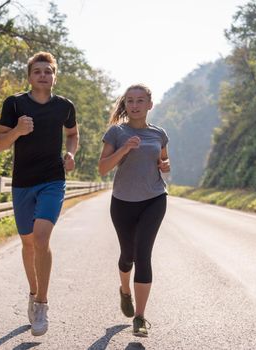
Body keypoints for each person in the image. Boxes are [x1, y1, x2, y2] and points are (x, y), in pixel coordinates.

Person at [0, 51, 79, 336]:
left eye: (48, 70)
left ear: (55, 76)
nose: (43, 74)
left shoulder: (65, 106)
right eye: (38, 70)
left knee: (42, 237)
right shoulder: (15, 104)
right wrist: (17, 130)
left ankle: (42, 304)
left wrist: (70, 152)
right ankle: (33, 293)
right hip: (22, 183)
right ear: (30, 76)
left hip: (53, 180)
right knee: (28, 244)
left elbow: (73, 133)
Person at [98, 84, 170, 337]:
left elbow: (163, 160)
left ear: (150, 105)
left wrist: (165, 165)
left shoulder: (159, 133)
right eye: (130, 101)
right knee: (127, 255)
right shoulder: (116, 132)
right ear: (125, 105)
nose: (135, 105)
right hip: (123, 201)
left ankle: (139, 317)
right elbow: (103, 168)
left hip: (154, 198)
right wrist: (124, 149)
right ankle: (125, 290)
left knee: (143, 254)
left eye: (140, 101)